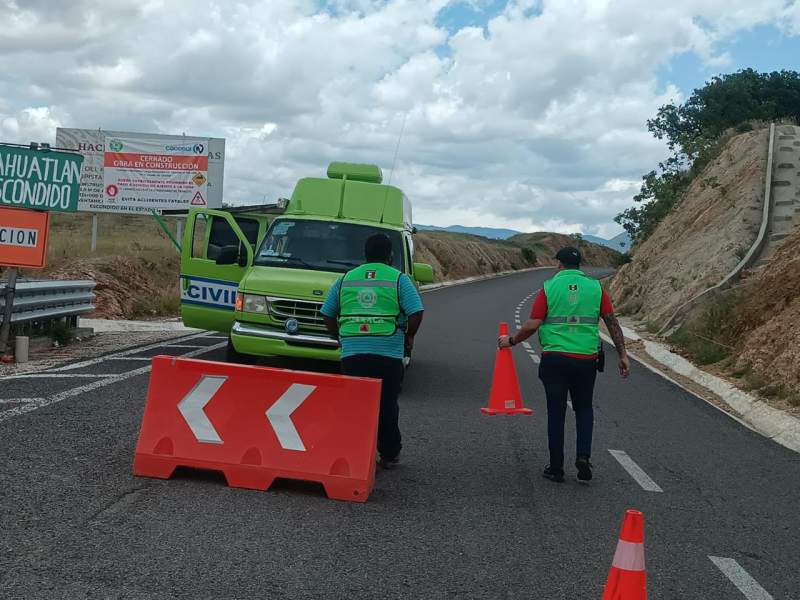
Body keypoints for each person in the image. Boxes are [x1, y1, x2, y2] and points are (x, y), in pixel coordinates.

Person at [498, 247, 630, 483]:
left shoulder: (549, 287)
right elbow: (612, 323)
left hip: (555, 359)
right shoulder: (596, 288)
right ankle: (583, 456)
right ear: (579, 265)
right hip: (586, 359)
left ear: (559, 264)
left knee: (556, 412)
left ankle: (556, 468)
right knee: (584, 408)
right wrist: (623, 355)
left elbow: (533, 324)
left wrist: (512, 341)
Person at [321, 233, 424, 469]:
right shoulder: (399, 279)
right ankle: (389, 453)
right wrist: (408, 336)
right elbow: (416, 311)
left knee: (355, 403)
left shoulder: (346, 279)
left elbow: (327, 312)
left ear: (364, 254)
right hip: (388, 352)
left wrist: (340, 336)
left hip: (353, 353)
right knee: (387, 403)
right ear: (390, 255)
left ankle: (355, 451)